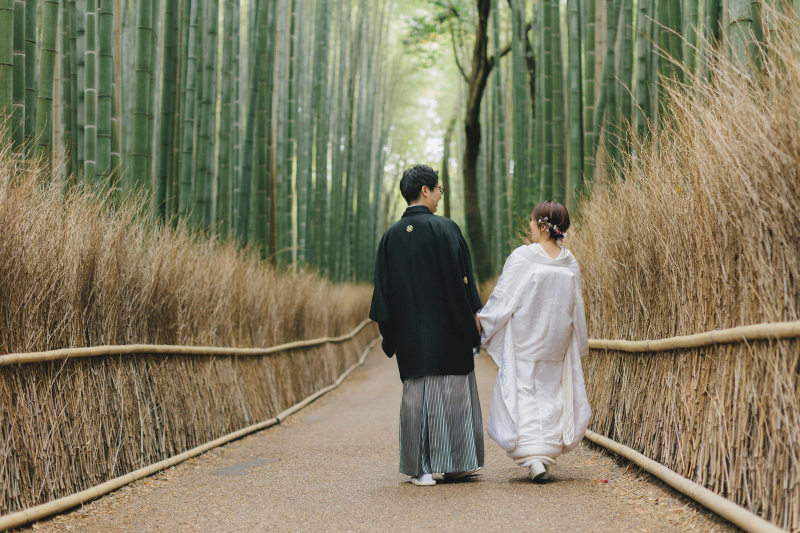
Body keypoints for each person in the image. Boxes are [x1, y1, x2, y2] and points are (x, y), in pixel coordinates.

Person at [369, 164, 484, 487]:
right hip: (449, 331)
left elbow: (383, 293)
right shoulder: (447, 228)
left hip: (411, 337)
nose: (438, 197)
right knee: (454, 393)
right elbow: (464, 282)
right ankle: (456, 463)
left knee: (416, 398)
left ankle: (421, 469)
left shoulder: (390, 237)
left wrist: (391, 335)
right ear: (425, 190)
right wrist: (473, 314)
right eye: (438, 191)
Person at [477, 201, 591, 481]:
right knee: (551, 394)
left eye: (531, 222)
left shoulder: (524, 256)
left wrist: (484, 319)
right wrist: (578, 339)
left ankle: (533, 457)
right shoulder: (570, 260)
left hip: (526, 339)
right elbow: (577, 305)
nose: (529, 226)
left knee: (524, 393)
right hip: (556, 341)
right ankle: (545, 453)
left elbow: (504, 297)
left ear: (542, 226)